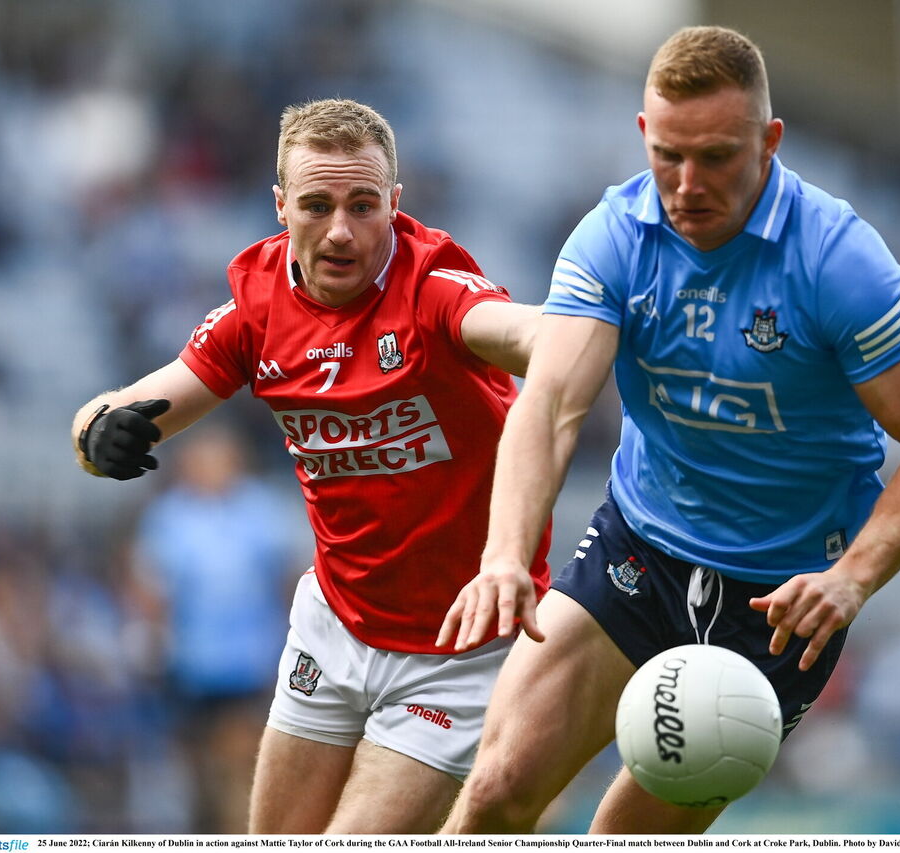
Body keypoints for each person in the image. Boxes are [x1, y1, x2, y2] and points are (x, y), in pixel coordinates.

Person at [437, 25, 900, 834]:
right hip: (638, 550)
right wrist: (506, 553)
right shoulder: (615, 235)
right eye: (669, 155)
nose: (687, 184)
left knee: (622, 838)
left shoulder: (837, 260)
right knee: (495, 792)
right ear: (645, 136)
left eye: (717, 156)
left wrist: (853, 578)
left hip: (783, 603)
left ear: (770, 142)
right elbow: (550, 404)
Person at [70, 98, 549, 834]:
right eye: (317, 205)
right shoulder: (258, 311)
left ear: (394, 204)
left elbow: (527, 333)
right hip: (335, 625)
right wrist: (97, 435)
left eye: (363, 205)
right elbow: (119, 408)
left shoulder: (433, 289)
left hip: (458, 649)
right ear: (280, 207)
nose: (340, 231)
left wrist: (581, 333)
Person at [128, 424, 301, 832]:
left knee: (237, 760)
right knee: (199, 770)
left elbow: (289, 580)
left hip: (249, 662)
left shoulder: (262, 510)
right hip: (190, 664)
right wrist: (151, 647)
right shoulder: (170, 517)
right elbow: (152, 591)